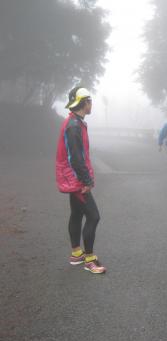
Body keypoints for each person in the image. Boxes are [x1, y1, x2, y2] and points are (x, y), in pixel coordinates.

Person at [56, 87, 106, 274]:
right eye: (90, 101)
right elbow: (76, 158)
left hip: (71, 176)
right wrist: (86, 181)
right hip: (76, 179)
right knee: (94, 216)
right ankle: (89, 260)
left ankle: (76, 254)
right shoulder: (74, 126)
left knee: (77, 213)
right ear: (84, 102)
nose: (92, 104)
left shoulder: (75, 122)